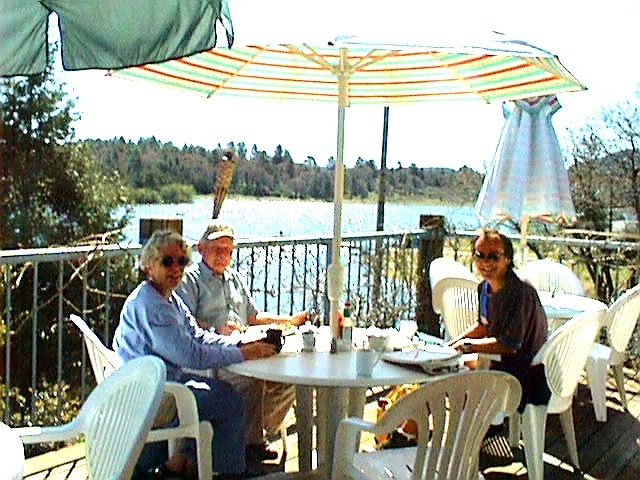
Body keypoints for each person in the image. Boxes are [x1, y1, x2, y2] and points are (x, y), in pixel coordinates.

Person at [113, 229, 276, 479]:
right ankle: (227, 471)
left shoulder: (167, 298)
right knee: (229, 400)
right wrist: (243, 355)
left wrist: (239, 345)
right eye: (167, 261)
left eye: (182, 261)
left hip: (153, 384)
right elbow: (191, 356)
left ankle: (183, 465)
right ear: (148, 266)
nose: (176, 267)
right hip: (154, 395)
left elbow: (199, 336)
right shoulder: (153, 306)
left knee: (222, 395)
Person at [177, 220, 309, 462]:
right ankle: (251, 442)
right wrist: (218, 328)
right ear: (202, 249)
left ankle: (255, 426)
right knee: (253, 380)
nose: (222, 256)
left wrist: (288, 320)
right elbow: (186, 323)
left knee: (293, 375)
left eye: (228, 251)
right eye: (217, 249)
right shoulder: (190, 280)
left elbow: (253, 316)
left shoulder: (234, 277)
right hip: (213, 356)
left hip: (245, 346)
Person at [448, 229, 551, 412]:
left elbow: (509, 344)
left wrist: (467, 346)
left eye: (494, 256)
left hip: (525, 373)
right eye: (480, 256)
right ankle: (409, 434)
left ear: (508, 259)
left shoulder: (519, 292)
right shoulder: (484, 288)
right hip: (496, 361)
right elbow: (483, 326)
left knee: (450, 379)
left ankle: (479, 435)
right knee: (439, 372)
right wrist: (451, 345)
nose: (486, 262)